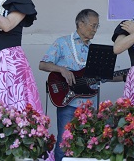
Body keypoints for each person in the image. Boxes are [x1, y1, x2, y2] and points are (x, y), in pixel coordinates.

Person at [39, 9, 101, 161]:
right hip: (68, 102)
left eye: (97, 26)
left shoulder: (95, 50)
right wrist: (61, 69)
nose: (95, 30)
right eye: (93, 25)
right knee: (64, 143)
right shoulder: (62, 42)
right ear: (80, 23)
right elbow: (42, 64)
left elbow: (99, 77)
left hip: (89, 105)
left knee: (87, 144)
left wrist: (125, 75)